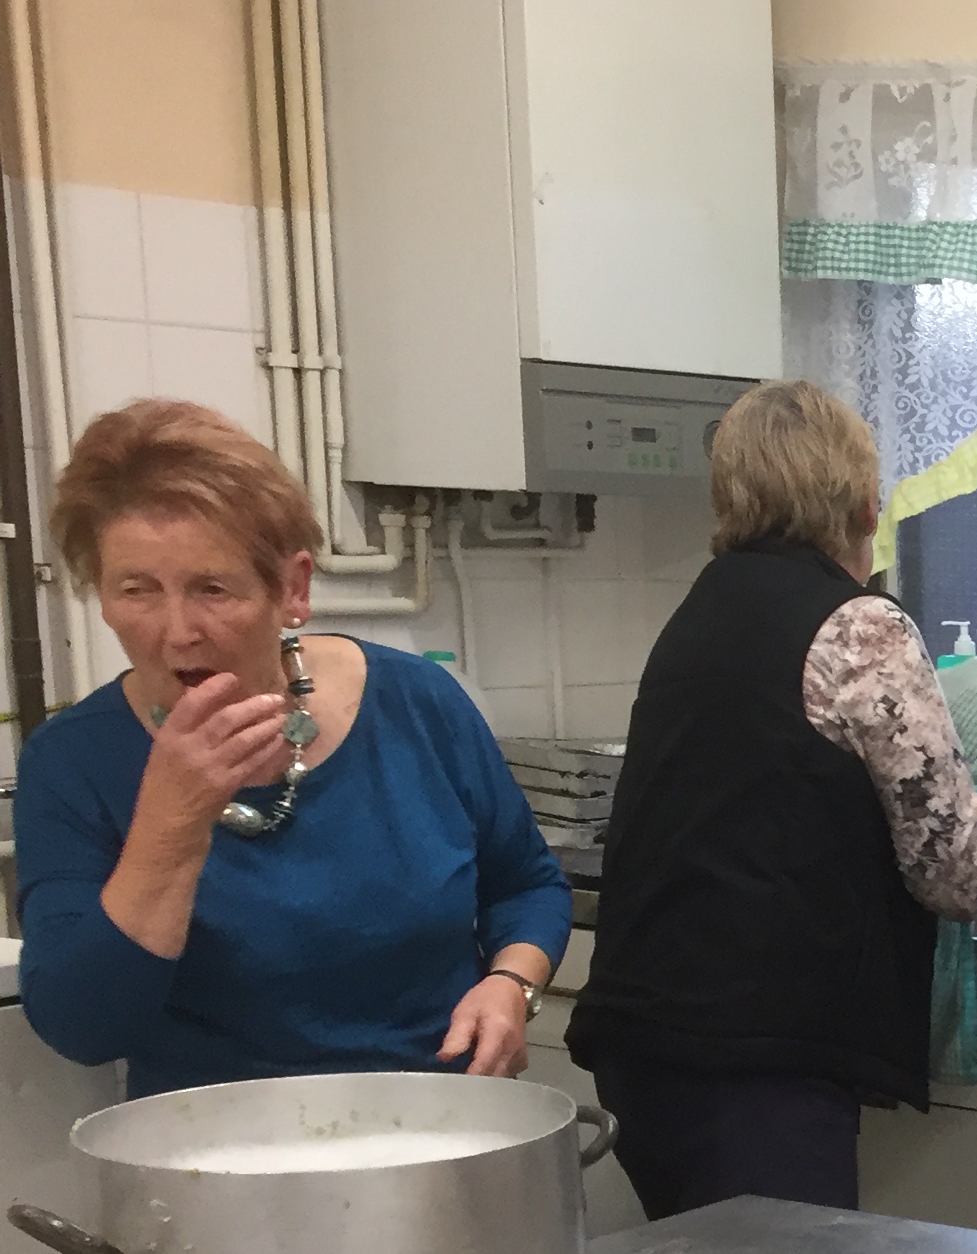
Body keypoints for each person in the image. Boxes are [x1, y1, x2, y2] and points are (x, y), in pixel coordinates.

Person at [15, 400, 566, 1098]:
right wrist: (169, 825)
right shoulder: (73, 762)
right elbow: (81, 1029)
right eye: (136, 590)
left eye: (212, 589)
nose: (177, 631)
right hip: (217, 1148)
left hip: (443, 1125)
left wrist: (512, 982)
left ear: (293, 588)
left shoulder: (417, 703)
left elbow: (527, 885)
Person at [570, 380, 977, 1219]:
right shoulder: (862, 628)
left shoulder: (700, 610)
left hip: (640, 1049)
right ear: (867, 502)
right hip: (756, 1065)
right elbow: (956, 874)